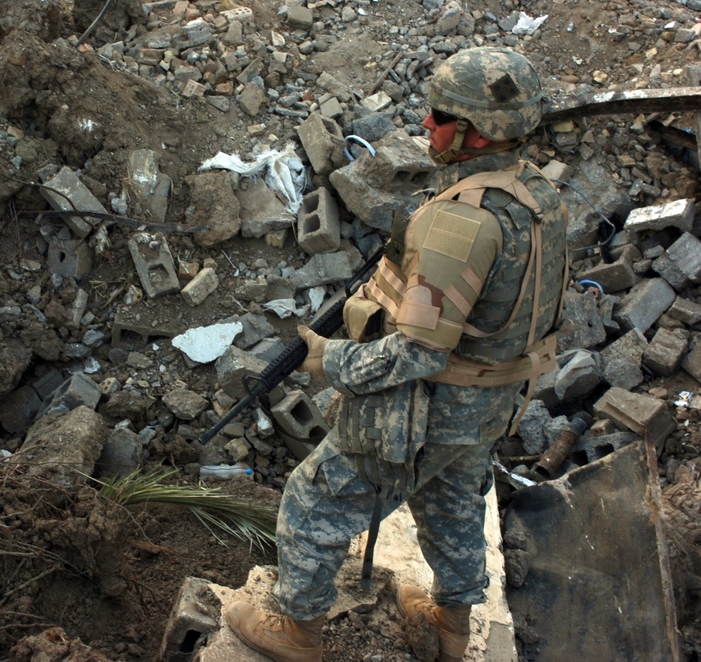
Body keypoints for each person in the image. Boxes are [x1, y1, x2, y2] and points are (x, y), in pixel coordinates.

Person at [224, 46, 569, 662]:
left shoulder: (461, 222)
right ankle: (450, 626)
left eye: (439, 116)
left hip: (436, 406)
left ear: (475, 131)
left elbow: (417, 353)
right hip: (495, 400)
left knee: (314, 497)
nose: (426, 127)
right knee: (452, 500)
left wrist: (329, 360)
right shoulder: (538, 196)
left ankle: (298, 631)